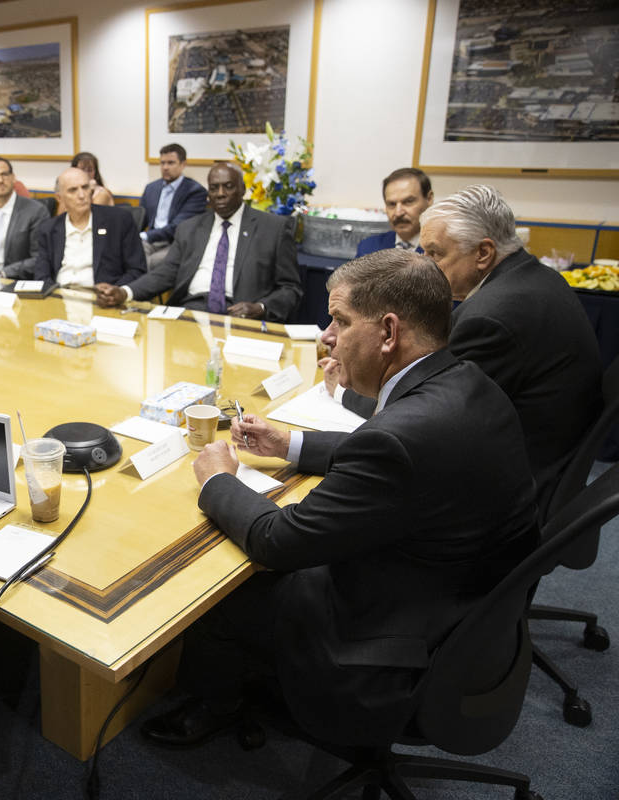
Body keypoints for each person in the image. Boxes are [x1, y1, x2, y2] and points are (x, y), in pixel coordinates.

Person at [141, 249, 538, 750]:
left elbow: (277, 540)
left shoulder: (402, 437)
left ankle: (215, 704)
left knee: (222, 591)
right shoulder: (467, 383)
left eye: (339, 320)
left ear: (389, 333)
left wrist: (218, 480)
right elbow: (399, 456)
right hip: (465, 613)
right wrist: (291, 444)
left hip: (388, 644)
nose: (326, 336)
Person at [333, 184, 601, 518]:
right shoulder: (534, 277)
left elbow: (419, 413)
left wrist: (342, 389)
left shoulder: (490, 317)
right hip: (547, 458)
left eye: (435, 254)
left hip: (510, 492)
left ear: (483, 253)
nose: (425, 267)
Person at [96, 161, 302, 320]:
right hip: (191, 312)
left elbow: (291, 289)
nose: (220, 194)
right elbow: (166, 273)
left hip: (242, 316)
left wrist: (261, 307)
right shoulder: (190, 228)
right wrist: (125, 292)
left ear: (242, 189)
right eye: (214, 188)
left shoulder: (273, 228)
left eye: (228, 186)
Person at [31, 167, 145, 289]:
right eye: (73, 190)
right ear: (60, 198)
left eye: (85, 187)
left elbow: (137, 270)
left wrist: (115, 291)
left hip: (103, 300)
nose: (82, 195)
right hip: (60, 297)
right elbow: (41, 275)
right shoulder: (49, 228)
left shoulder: (118, 221)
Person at [0, 156, 50, 279]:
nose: (0, 180)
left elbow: (40, 258)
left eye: (5, 174)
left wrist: (2, 273)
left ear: (13, 177)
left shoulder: (35, 211)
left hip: (12, 281)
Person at [139, 144, 208, 268]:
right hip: (150, 240)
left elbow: (178, 227)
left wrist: (146, 236)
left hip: (176, 242)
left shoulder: (195, 191)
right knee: (131, 253)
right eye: (162, 163)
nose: (165, 167)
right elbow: (140, 220)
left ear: (183, 164)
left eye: (171, 163)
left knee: (151, 262)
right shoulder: (151, 188)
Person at [356, 167, 433, 256]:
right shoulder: (368, 248)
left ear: (429, 199)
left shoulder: (442, 252)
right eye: (392, 204)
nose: (398, 213)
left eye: (408, 201)